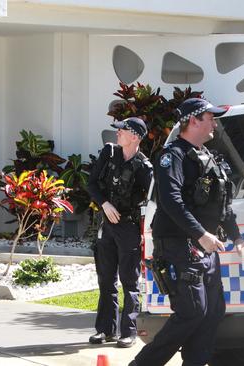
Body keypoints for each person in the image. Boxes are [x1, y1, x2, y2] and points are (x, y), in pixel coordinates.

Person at [130, 98, 244, 366]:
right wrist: (201, 234)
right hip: (179, 247)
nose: (214, 123)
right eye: (210, 117)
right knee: (192, 312)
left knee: (211, 314)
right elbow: (171, 201)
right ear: (194, 120)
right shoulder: (171, 156)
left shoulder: (209, 157)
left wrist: (238, 239)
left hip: (204, 249)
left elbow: (224, 206)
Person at [86, 117, 153, 348]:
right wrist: (104, 203)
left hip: (128, 227)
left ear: (134, 136)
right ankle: (105, 330)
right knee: (106, 279)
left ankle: (129, 332)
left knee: (129, 281)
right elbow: (91, 184)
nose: (117, 133)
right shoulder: (109, 153)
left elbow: (153, 200)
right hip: (107, 223)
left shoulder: (145, 168)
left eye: (122, 130)